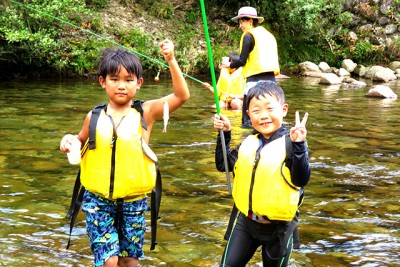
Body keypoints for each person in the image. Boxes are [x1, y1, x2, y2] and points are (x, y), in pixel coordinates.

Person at [59, 39, 190, 267]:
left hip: (134, 202)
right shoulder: (94, 116)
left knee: (130, 260)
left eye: (128, 80)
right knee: (109, 261)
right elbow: (77, 141)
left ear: (139, 83)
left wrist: (171, 60)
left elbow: (181, 96)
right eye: (114, 79)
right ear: (102, 82)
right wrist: (67, 140)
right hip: (98, 201)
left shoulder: (146, 113)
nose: (121, 85)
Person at [212, 81, 310, 267]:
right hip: (246, 223)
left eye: (270, 109)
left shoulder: (292, 143)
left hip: (279, 229)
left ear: (284, 109)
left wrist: (299, 146)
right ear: (248, 115)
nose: (263, 116)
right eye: (256, 111)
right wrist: (225, 134)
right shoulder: (249, 143)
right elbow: (222, 165)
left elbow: (301, 179)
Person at [220, 6, 280, 128]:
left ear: (250, 21)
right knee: (268, 115)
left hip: (254, 81)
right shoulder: (268, 35)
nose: (240, 25)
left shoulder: (248, 36)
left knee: (248, 121)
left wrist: (229, 65)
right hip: (271, 82)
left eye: (242, 22)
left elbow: (242, 61)